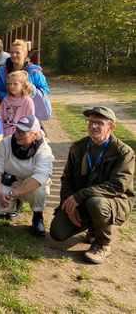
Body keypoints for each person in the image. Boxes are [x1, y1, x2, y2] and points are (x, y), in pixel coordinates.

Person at [50, 106, 135, 264]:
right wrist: (69, 204)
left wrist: (79, 196)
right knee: (57, 233)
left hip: (115, 200)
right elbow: (67, 179)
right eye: (90, 121)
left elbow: (117, 185)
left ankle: (103, 243)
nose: (93, 126)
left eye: (99, 123)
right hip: (82, 200)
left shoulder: (124, 152)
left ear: (111, 127)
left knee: (96, 202)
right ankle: (93, 227)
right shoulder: (78, 147)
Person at [0, 115, 54, 237]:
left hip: (30, 185)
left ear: (34, 134)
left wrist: (15, 192)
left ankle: (38, 215)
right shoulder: (6, 143)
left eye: (22, 132)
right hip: (12, 180)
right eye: (17, 130)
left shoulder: (44, 150)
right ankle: (16, 205)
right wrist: (0, 193)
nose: (17, 134)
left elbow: (40, 177)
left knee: (39, 190)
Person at [0, 71, 35, 137]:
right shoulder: (5, 100)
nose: (12, 86)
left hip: (20, 136)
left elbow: (30, 121)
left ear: (23, 86)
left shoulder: (28, 101)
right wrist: (1, 134)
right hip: (5, 136)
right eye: (10, 84)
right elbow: (0, 119)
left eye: (15, 84)